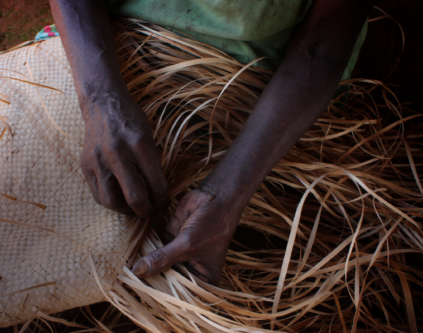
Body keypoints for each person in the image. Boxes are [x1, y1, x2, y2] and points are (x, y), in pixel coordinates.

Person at [49, 0, 375, 285]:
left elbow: (320, 46)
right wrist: (100, 99)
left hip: (258, 92)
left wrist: (227, 194)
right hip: (104, 48)